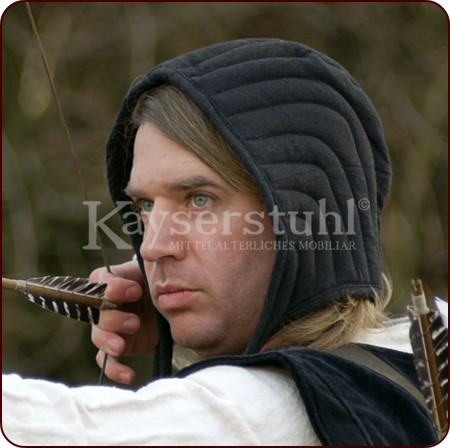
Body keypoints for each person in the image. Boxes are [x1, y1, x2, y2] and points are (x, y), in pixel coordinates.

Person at [2, 38, 439, 446]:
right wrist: (199, 340)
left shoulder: (255, 409)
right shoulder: (419, 349)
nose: (153, 247)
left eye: (199, 200)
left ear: (301, 217)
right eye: (145, 206)